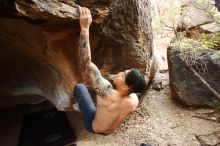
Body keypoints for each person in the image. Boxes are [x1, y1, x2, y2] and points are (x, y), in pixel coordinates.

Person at [73, 6, 147, 135]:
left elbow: (86, 64)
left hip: (93, 126)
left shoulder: (105, 92)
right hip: (110, 131)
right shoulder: (134, 100)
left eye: (123, 75)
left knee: (79, 87)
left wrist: (85, 28)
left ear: (125, 87)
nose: (120, 72)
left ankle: (79, 106)